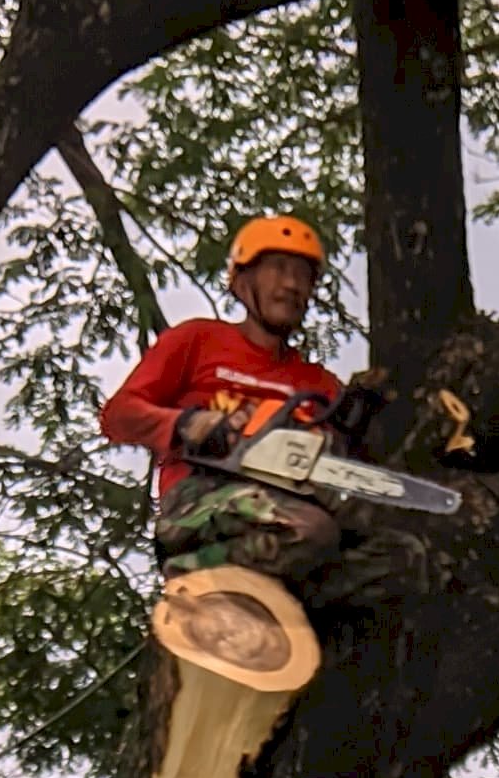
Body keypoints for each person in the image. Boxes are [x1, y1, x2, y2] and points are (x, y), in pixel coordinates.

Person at [97, 209, 370, 581]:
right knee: (312, 530)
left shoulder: (319, 383)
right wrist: (185, 423)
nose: (291, 284)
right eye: (278, 268)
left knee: (400, 554)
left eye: (302, 275)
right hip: (202, 498)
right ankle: (196, 571)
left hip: (293, 504)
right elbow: (118, 415)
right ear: (243, 282)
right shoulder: (197, 340)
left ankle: (297, 603)